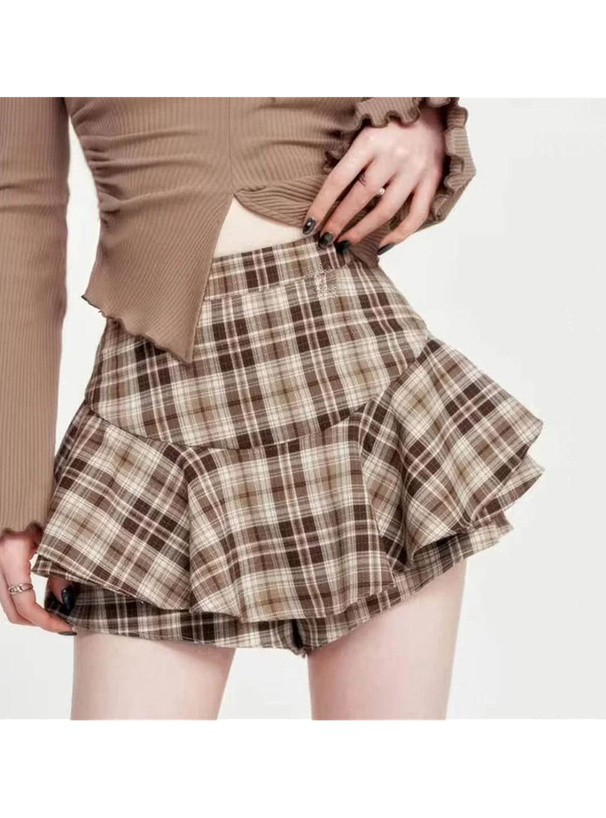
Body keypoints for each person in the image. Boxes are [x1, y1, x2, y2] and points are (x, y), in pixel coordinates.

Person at [0, 98, 544, 719]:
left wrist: (418, 111)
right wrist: (15, 496)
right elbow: (19, 207)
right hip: (151, 409)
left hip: (350, 371)